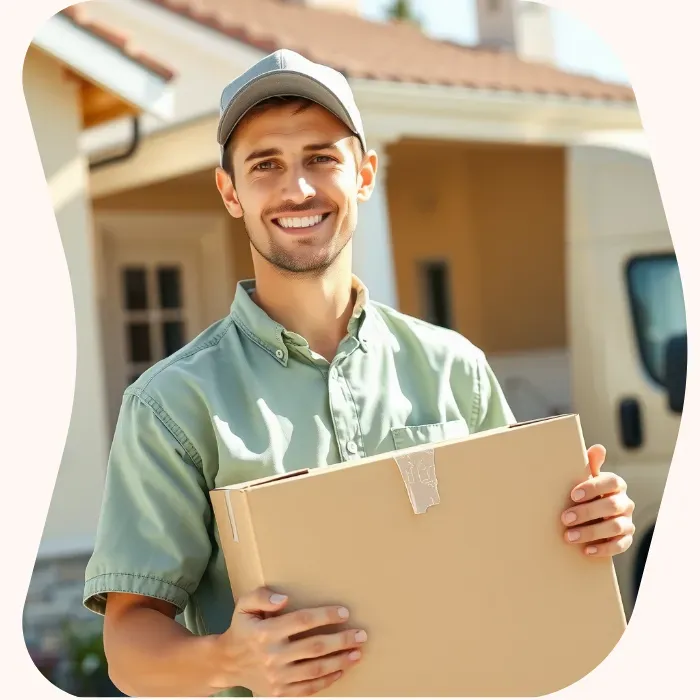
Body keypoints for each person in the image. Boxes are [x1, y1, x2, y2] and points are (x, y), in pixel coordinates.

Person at [83, 50, 636, 698]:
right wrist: (231, 661)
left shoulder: (453, 366)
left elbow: (518, 561)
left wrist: (588, 525)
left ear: (365, 174)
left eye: (321, 157)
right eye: (266, 165)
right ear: (230, 192)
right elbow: (128, 643)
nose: (297, 190)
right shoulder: (172, 405)